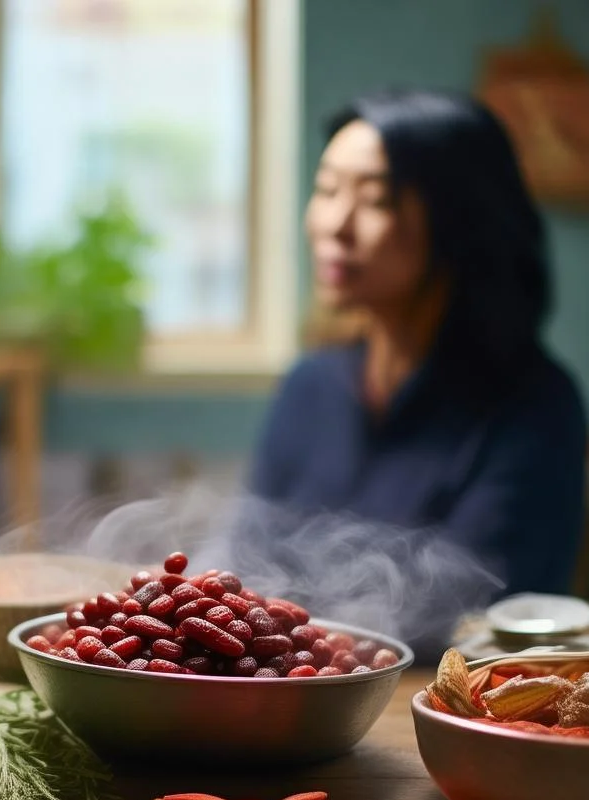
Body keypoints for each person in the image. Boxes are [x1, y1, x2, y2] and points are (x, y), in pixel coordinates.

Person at [240, 89, 587, 654]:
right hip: (282, 704)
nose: (335, 223)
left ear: (460, 222)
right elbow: (247, 563)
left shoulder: (534, 406)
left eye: (375, 200)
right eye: (326, 190)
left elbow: (483, 622)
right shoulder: (310, 386)